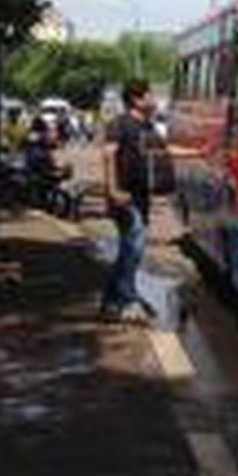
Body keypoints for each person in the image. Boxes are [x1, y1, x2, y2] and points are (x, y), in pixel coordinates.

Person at [101, 79, 159, 323]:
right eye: (150, 95)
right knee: (134, 248)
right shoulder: (119, 124)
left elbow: (163, 151)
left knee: (130, 249)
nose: (154, 99)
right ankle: (128, 300)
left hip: (141, 195)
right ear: (137, 99)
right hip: (125, 196)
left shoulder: (147, 126)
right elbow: (107, 155)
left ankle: (111, 302)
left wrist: (201, 151)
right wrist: (112, 189)